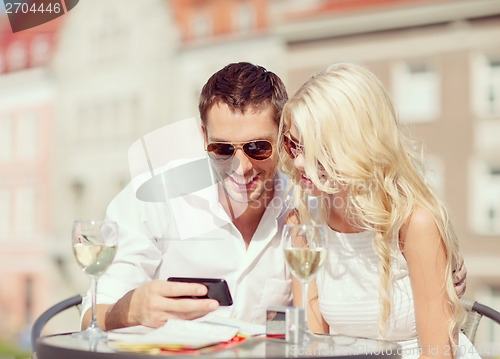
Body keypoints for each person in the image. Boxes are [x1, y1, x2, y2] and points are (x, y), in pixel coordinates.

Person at [81, 62, 467, 331]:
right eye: (221, 149)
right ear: (204, 139)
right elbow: (90, 319)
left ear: (284, 139)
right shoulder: (156, 198)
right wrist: (130, 309)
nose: (240, 167)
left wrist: (435, 270)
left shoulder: (306, 204)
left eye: (257, 148)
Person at [279, 63, 478, 358]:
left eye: (313, 148)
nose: (297, 162)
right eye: (293, 145)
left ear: (356, 145)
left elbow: (438, 353)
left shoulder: (414, 223)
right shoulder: (304, 222)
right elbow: (310, 344)